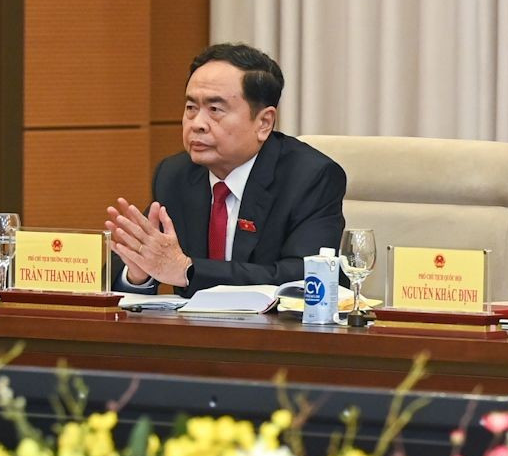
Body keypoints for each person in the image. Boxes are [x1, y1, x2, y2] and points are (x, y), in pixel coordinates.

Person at [106, 44, 347, 294]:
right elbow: (144, 260)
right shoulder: (175, 174)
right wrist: (138, 272)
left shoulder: (311, 177)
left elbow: (307, 275)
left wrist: (188, 270)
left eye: (215, 110)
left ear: (264, 122)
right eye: (191, 108)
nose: (197, 123)